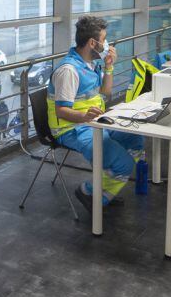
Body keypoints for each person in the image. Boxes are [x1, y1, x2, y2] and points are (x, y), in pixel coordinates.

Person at [48, 16, 144, 212]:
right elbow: (61, 111)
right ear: (93, 43)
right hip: (71, 128)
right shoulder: (69, 70)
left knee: (136, 140)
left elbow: (106, 92)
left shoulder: (90, 64)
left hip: (95, 122)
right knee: (124, 165)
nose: (107, 44)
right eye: (104, 39)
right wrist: (84, 117)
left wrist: (109, 66)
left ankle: (106, 188)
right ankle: (90, 192)